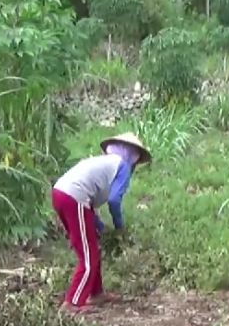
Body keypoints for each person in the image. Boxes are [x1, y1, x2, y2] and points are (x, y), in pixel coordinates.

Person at [50, 132, 152, 314]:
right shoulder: (123, 167)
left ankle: (96, 293)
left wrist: (100, 227)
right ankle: (72, 303)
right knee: (88, 257)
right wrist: (119, 227)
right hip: (74, 197)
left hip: (61, 194)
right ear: (134, 156)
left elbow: (88, 204)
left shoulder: (103, 163)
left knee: (91, 248)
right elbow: (113, 200)